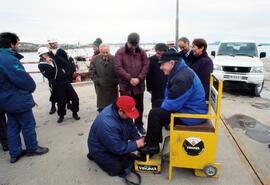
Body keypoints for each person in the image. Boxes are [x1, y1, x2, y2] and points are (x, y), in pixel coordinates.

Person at [140, 51, 207, 154]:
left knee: (155, 114)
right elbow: (171, 96)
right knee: (157, 103)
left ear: (172, 63)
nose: (161, 67)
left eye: (162, 64)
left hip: (192, 116)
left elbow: (172, 104)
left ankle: (153, 146)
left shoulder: (182, 78)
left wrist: (164, 105)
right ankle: (152, 139)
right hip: (189, 108)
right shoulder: (180, 70)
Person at [0, 32, 49, 163]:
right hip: (17, 99)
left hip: (4, 100)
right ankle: (32, 148)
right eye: (18, 43)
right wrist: (32, 86)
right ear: (11, 44)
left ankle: (14, 153)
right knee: (28, 124)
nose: (19, 45)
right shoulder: (8, 59)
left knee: (12, 126)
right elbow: (22, 79)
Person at [87, 96, 145, 177]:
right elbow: (118, 148)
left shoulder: (123, 112)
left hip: (113, 143)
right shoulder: (107, 123)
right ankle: (94, 155)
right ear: (120, 111)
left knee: (131, 160)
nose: (130, 117)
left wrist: (139, 140)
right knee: (117, 168)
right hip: (100, 149)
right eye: (129, 115)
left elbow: (131, 128)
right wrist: (136, 144)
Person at [114, 32, 149, 135]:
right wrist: (129, 78)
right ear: (128, 42)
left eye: (135, 45)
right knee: (126, 107)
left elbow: (146, 66)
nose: (133, 47)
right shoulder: (120, 52)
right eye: (131, 44)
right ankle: (127, 127)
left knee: (139, 107)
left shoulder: (142, 52)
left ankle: (139, 125)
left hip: (138, 86)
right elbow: (117, 67)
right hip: (126, 86)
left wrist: (139, 78)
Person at [38, 47, 80, 123]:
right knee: (61, 102)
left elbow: (65, 63)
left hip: (65, 81)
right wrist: (50, 64)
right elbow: (49, 75)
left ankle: (75, 112)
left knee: (75, 98)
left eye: (47, 53)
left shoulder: (54, 59)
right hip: (56, 84)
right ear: (41, 56)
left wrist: (64, 70)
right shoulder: (41, 65)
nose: (46, 55)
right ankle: (61, 115)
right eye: (43, 54)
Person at [47, 38, 76, 112]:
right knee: (53, 91)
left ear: (57, 43)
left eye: (54, 43)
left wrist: (65, 71)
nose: (53, 44)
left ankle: (68, 103)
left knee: (66, 90)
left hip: (63, 75)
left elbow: (67, 62)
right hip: (53, 76)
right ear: (49, 44)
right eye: (51, 43)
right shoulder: (48, 53)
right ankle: (53, 106)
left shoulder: (61, 51)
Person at [89, 43, 118, 112]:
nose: (105, 54)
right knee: (102, 109)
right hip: (101, 88)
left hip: (112, 87)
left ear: (109, 51)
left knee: (113, 108)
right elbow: (92, 73)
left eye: (107, 52)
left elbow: (118, 71)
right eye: (103, 52)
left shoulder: (114, 59)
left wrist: (116, 81)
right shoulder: (95, 59)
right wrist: (98, 81)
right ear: (100, 51)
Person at [146, 43, 168, 108]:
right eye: (158, 53)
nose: (160, 56)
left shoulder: (168, 60)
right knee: (155, 106)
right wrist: (149, 88)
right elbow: (148, 75)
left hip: (166, 86)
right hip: (155, 88)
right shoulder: (151, 60)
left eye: (162, 54)